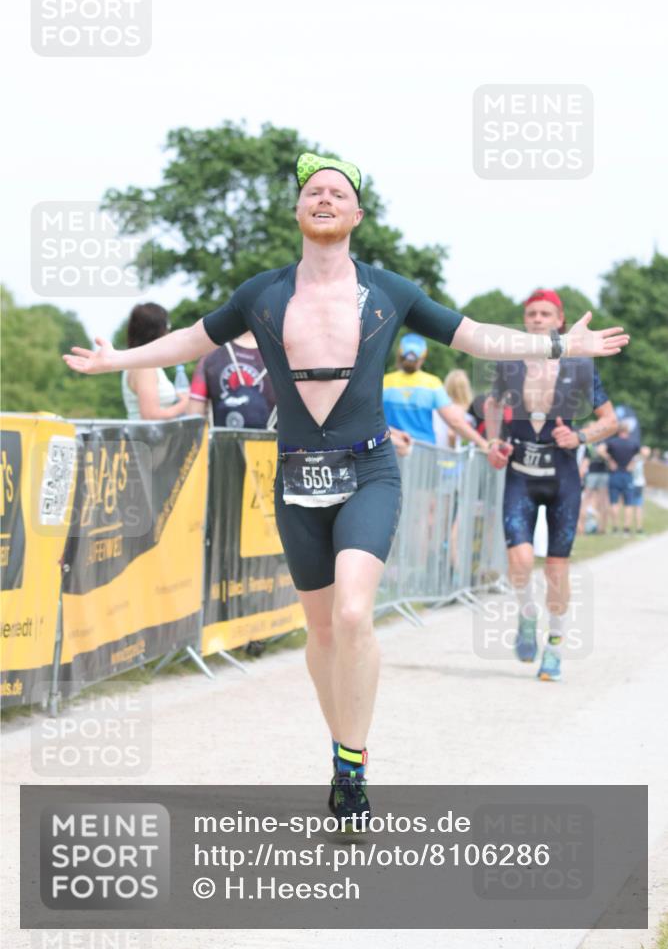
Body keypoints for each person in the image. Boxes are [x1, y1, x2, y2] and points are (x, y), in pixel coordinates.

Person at [64, 153, 629, 824]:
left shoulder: (388, 290)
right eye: (313, 192)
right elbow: (192, 339)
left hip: (368, 471)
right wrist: (116, 361)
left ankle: (353, 769)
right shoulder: (263, 293)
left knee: (355, 615)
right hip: (296, 474)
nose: (325, 199)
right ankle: (342, 750)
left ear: (357, 214)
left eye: (338, 192)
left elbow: (473, 337)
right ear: (300, 211)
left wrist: (558, 346)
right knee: (323, 633)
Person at [484, 288, 619, 683]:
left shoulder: (579, 365)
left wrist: (581, 438)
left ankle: (555, 646)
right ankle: (527, 617)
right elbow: (492, 406)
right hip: (521, 474)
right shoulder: (509, 363)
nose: (538, 319)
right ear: (525, 320)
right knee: (521, 561)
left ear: (560, 320)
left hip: (562, 476)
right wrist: (494, 442)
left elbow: (609, 420)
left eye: (546, 314)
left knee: (557, 569)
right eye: (532, 314)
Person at [383, 336, 489, 452]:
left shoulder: (383, 382)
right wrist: (483, 443)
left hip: (391, 452)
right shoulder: (432, 384)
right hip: (424, 456)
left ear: (399, 356)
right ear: (423, 358)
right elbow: (455, 421)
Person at [187, 330, 276, 429]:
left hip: (221, 441)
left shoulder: (211, 355)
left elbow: (194, 417)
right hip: (269, 442)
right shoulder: (282, 356)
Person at [121, 303, 189, 420]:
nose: (168, 332)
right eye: (167, 326)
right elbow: (150, 416)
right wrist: (186, 403)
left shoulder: (140, 362)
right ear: (156, 331)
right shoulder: (145, 367)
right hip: (147, 437)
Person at [597, 421, 642, 535]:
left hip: (615, 474)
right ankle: (626, 528)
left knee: (614, 502)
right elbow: (645, 452)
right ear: (627, 431)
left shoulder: (612, 442)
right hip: (627, 475)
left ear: (618, 431)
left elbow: (599, 450)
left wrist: (609, 459)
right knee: (628, 503)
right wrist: (633, 462)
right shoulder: (633, 443)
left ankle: (615, 527)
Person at [630, 445, 651, 534]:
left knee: (634, 506)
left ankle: (635, 527)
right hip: (637, 484)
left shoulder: (637, 458)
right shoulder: (639, 459)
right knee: (636, 506)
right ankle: (637, 528)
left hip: (636, 484)